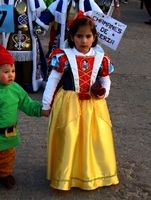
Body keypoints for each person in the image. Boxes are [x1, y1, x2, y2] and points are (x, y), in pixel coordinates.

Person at [41, 11, 119, 191]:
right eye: (79, 36)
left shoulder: (101, 59)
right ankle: (66, 175)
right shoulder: (64, 56)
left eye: (88, 36)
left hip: (93, 104)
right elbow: (53, 80)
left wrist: (103, 92)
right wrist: (46, 104)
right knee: (69, 135)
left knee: (92, 137)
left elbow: (105, 79)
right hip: (69, 102)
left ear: (94, 38)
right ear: (71, 37)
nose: (84, 40)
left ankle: (91, 173)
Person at [0, 41, 46, 196]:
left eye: (13, 71)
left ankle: (4, 174)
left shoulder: (15, 88)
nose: (11, 75)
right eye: (6, 71)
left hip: (10, 134)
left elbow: (26, 103)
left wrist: (40, 110)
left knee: (8, 156)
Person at [1, 0, 48, 93]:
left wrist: (39, 25)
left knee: (29, 61)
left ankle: (28, 82)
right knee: (10, 60)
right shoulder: (6, 1)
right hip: (11, 34)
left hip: (29, 34)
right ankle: (12, 81)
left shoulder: (35, 2)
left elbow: (44, 13)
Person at [35, 0, 103, 57]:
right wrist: (40, 24)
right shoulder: (61, 3)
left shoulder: (88, 3)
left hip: (80, 34)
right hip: (64, 33)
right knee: (62, 54)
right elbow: (49, 14)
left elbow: (100, 19)